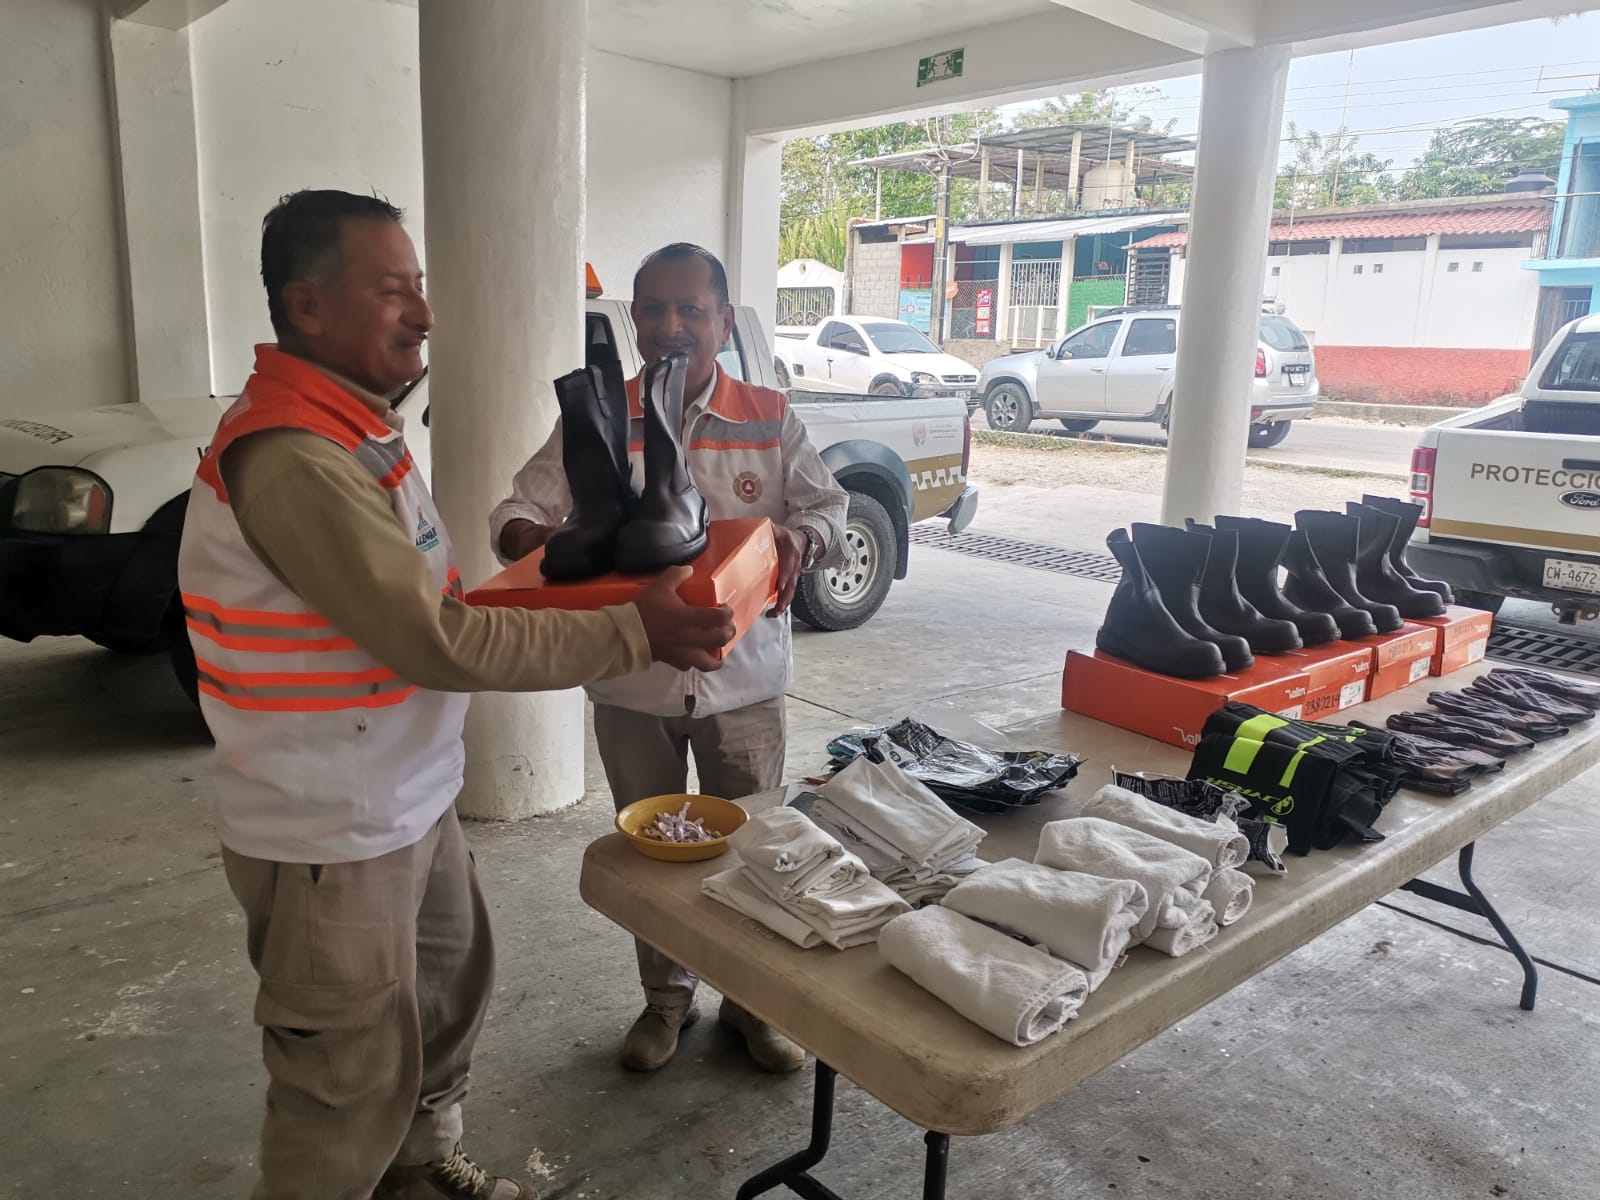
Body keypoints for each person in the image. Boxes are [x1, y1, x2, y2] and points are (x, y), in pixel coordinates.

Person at [178, 191, 735, 1200]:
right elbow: (433, 635)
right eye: (392, 290)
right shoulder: (295, 456)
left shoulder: (355, 431)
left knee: (446, 992)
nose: (424, 314)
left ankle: (422, 1164)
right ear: (307, 307)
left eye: (420, 287)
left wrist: (574, 567)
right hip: (326, 829)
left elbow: (435, 594)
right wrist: (628, 626)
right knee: (341, 1079)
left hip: (404, 792)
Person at [490, 243, 849, 1075]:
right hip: (632, 685)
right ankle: (665, 1004)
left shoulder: (768, 415)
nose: (670, 325)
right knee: (655, 858)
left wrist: (801, 538)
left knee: (758, 850)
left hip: (746, 685)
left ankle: (753, 1008)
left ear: (724, 321)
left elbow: (828, 505)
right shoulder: (599, 415)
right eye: (652, 309)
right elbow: (517, 506)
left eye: (691, 309)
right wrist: (542, 543)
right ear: (635, 324)